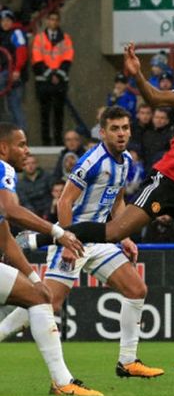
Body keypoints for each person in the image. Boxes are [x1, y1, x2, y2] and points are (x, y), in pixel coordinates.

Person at [19, 45, 174, 356]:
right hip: (165, 183)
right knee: (113, 234)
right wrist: (137, 73)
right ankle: (39, 239)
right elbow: (155, 99)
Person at [0, 106, 163, 378]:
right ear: (102, 132)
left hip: (100, 239)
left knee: (136, 289)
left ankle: (128, 361)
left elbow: (118, 201)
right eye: (115, 128)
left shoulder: (126, 162)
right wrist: (66, 241)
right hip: (75, 237)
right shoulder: (92, 161)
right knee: (47, 302)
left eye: (125, 128)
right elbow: (65, 200)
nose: (121, 134)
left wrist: (125, 236)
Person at [0, 122, 100, 395]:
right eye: (21, 144)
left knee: (38, 295)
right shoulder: (2, 168)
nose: (27, 151)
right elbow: (11, 210)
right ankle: (63, 382)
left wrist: (34, 278)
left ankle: (62, 381)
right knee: (38, 298)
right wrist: (59, 232)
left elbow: (6, 240)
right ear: (3, 147)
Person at [32, 10, 73, 146]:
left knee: (59, 112)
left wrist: (58, 74)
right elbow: (37, 59)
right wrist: (50, 74)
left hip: (60, 82)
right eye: (51, 19)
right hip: (44, 82)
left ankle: (58, 140)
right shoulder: (39, 38)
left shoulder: (65, 38)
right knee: (44, 113)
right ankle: (46, 141)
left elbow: (68, 58)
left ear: (58, 21)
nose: (53, 22)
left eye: (56, 19)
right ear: (47, 21)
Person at [0, 9, 26, 131]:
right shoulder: (2, 35)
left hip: (12, 73)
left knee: (15, 107)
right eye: (2, 21)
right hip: (5, 72)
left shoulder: (16, 33)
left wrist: (17, 69)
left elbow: (21, 51)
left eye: (7, 20)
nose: (5, 23)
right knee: (13, 107)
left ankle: (21, 135)